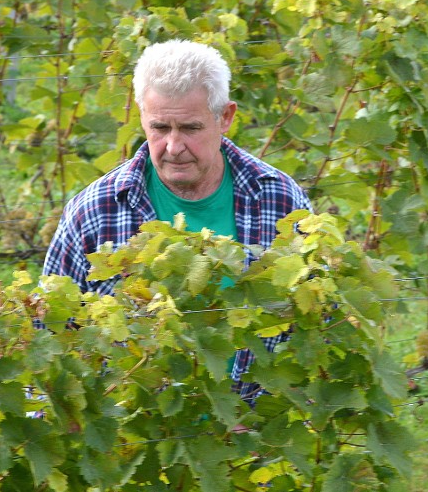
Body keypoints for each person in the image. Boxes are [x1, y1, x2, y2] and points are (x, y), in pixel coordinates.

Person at [42, 39, 312, 404]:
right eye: (159, 127)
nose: (172, 146)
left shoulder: (279, 199)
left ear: (226, 117)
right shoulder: (94, 213)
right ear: (141, 117)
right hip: (135, 440)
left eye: (189, 128)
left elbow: (313, 328)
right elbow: (48, 336)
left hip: (258, 441)